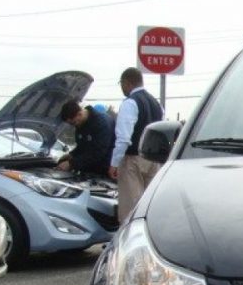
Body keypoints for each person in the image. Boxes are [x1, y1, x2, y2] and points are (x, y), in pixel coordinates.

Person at [109, 67, 163, 221]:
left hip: (133, 159)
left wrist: (114, 162)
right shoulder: (156, 104)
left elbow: (124, 137)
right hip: (153, 160)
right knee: (150, 207)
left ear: (127, 82)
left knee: (131, 209)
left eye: (121, 84)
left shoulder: (130, 103)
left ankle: (129, 242)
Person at [57, 101, 115, 176]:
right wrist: (71, 155)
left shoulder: (102, 123)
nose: (74, 126)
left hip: (105, 170)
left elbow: (98, 152)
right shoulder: (81, 124)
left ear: (80, 114)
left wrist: (71, 164)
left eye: (74, 123)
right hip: (89, 170)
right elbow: (82, 147)